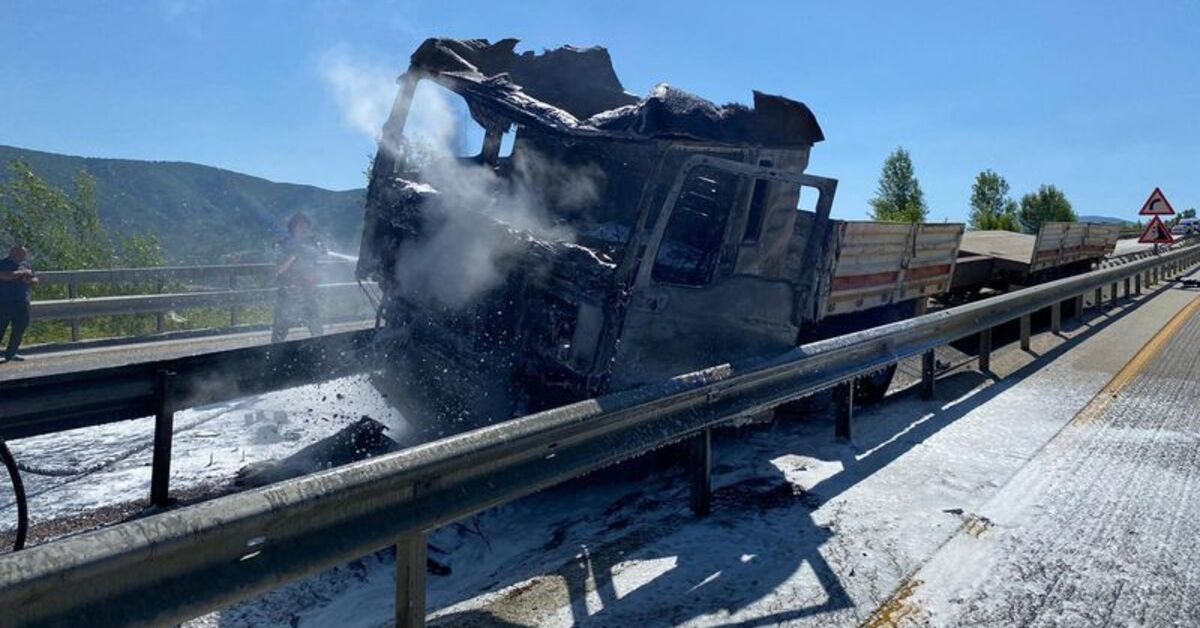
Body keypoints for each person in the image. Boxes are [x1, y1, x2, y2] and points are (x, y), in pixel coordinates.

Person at [271, 213, 326, 342]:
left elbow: (323, 255)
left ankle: (320, 353)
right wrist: (293, 255)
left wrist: (320, 248)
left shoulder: (313, 243)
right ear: (292, 227)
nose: (304, 229)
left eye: (306, 226)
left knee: (316, 330)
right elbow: (278, 270)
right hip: (287, 293)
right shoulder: (282, 245)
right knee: (280, 331)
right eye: (300, 225)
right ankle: (273, 356)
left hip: (308, 292)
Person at [0, 245, 38, 362]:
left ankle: (11, 353)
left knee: (19, 329)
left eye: (24, 254)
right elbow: (5, 276)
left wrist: (30, 280)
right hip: (5, 302)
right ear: (12, 253)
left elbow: (35, 279)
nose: (23, 256)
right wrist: (21, 273)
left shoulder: (25, 265)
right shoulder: (3, 264)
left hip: (22, 302)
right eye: (21, 253)